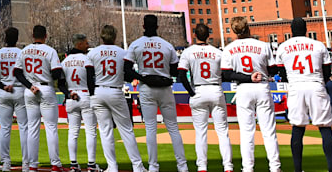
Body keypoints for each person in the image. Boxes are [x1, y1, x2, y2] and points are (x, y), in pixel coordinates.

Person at [273, 17, 332, 172]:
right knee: (325, 128)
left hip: (296, 86)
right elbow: (327, 70)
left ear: (291, 30)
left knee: (298, 128)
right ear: (306, 29)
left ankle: (298, 169)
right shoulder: (318, 45)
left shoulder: (283, 46)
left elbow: (281, 72)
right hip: (316, 84)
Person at [129, 14, 190, 172]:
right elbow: (174, 71)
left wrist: (142, 76)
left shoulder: (136, 44)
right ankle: (182, 166)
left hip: (146, 88)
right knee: (173, 128)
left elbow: (127, 70)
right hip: (164, 88)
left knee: (150, 128)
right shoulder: (166, 45)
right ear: (157, 26)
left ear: (143, 26)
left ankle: (153, 167)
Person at [222, 16, 281, 172]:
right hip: (262, 86)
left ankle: (248, 168)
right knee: (269, 131)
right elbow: (274, 69)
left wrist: (247, 76)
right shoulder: (263, 45)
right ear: (247, 27)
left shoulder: (229, 48)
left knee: (247, 132)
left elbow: (226, 75)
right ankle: (275, 167)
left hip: (243, 89)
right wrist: (261, 71)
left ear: (234, 30)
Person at [87, 23, 143, 172]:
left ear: (102, 36)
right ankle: (137, 166)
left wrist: (92, 94)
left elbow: (88, 76)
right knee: (126, 130)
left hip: (98, 91)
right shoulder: (122, 52)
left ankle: (112, 167)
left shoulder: (93, 53)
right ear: (115, 36)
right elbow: (129, 73)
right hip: (115, 90)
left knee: (105, 131)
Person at [179, 23, 234, 172]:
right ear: (208, 35)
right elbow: (227, 74)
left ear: (195, 35)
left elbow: (181, 75)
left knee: (201, 133)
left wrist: (191, 93)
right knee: (222, 131)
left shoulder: (188, 52)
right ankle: (228, 166)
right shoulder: (218, 52)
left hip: (198, 89)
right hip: (215, 89)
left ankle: (202, 166)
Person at [20, 24, 66, 172]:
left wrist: (29, 85)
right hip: (45, 88)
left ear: (33, 36)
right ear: (45, 36)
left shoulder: (25, 50)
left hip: (30, 89)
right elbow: (57, 73)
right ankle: (55, 164)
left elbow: (17, 73)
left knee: (32, 128)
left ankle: (32, 165)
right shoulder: (50, 51)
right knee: (51, 128)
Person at [63, 33, 97, 172]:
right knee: (90, 131)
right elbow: (90, 81)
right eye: (86, 43)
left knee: (73, 132)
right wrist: (93, 96)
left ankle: (73, 164)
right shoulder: (86, 59)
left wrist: (68, 94)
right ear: (79, 44)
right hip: (85, 95)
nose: (88, 45)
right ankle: (91, 165)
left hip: (71, 96)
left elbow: (60, 83)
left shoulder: (64, 61)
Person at [0, 27, 26, 172]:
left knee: (5, 128)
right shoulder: (22, 53)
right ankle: (26, 163)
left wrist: (3, 86)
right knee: (24, 128)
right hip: (19, 90)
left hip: (4, 92)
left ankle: (6, 163)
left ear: (5, 38)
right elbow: (25, 74)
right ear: (17, 38)